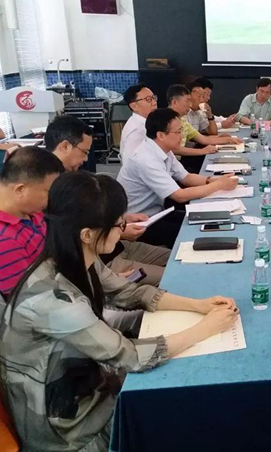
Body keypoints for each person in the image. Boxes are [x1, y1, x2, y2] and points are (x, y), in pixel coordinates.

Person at [0, 171, 240, 452]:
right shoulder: (54, 300)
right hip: (71, 428)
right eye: (118, 223)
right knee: (187, 417)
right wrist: (205, 329)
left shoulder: (75, 258)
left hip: (88, 385)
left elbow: (130, 293)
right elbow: (130, 356)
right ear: (87, 234)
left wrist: (199, 305)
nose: (122, 228)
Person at [45, 116, 170, 285]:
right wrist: (118, 229)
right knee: (173, 278)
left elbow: (91, 215)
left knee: (177, 259)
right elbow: (71, 235)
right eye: (85, 152)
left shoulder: (71, 177)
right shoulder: (52, 189)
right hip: (104, 259)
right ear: (65, 146)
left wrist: (121, 219)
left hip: (118, 245)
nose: (86, 159)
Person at [117, 108, 239, 248]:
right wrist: (218, 185)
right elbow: (179, 196)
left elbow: (186, 177)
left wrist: (214, 180)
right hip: (138, 223)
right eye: (178, 132)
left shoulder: (163, 150)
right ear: (161, 135)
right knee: (194, 234)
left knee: (204, 221)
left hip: (157, 213)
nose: (182, 136)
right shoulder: (145, 159)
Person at [0, 147, 64, 297]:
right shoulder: (5, 241)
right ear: (20, 190)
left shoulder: (31, 211)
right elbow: (24, 300)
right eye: (48, 192)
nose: (51, 200)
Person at [167, 85, 241, 173]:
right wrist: (202, 151)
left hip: (179, 162)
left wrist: (229, 139)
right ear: (174, 102)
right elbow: (174, 149)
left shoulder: (182, 119)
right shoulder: (166, 120)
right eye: (187, 101)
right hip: (171, 165)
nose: (190, 105)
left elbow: (203, 139)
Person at [120, 84, 158, 163]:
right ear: (134, 106)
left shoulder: (148, 123)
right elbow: (130, 163)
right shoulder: (137, 131)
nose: (154, 103)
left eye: (154, 98)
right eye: (148, 99)